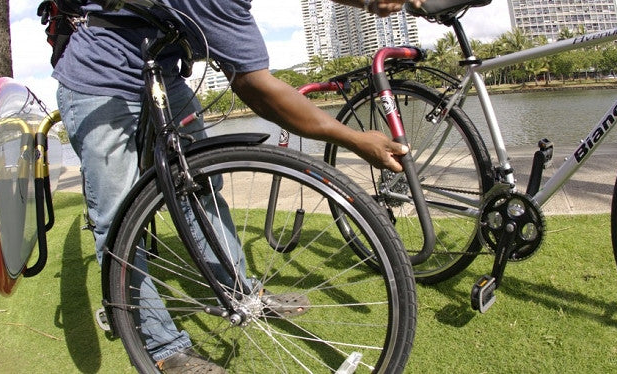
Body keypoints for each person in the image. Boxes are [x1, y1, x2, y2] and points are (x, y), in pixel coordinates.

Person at [53, 0, 425, 372]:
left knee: (202, 189)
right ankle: (165, 348)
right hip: (99, 82)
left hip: (165, 76)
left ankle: (244, 293)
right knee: (117, 220)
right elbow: (257, 88)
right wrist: (355, 140)